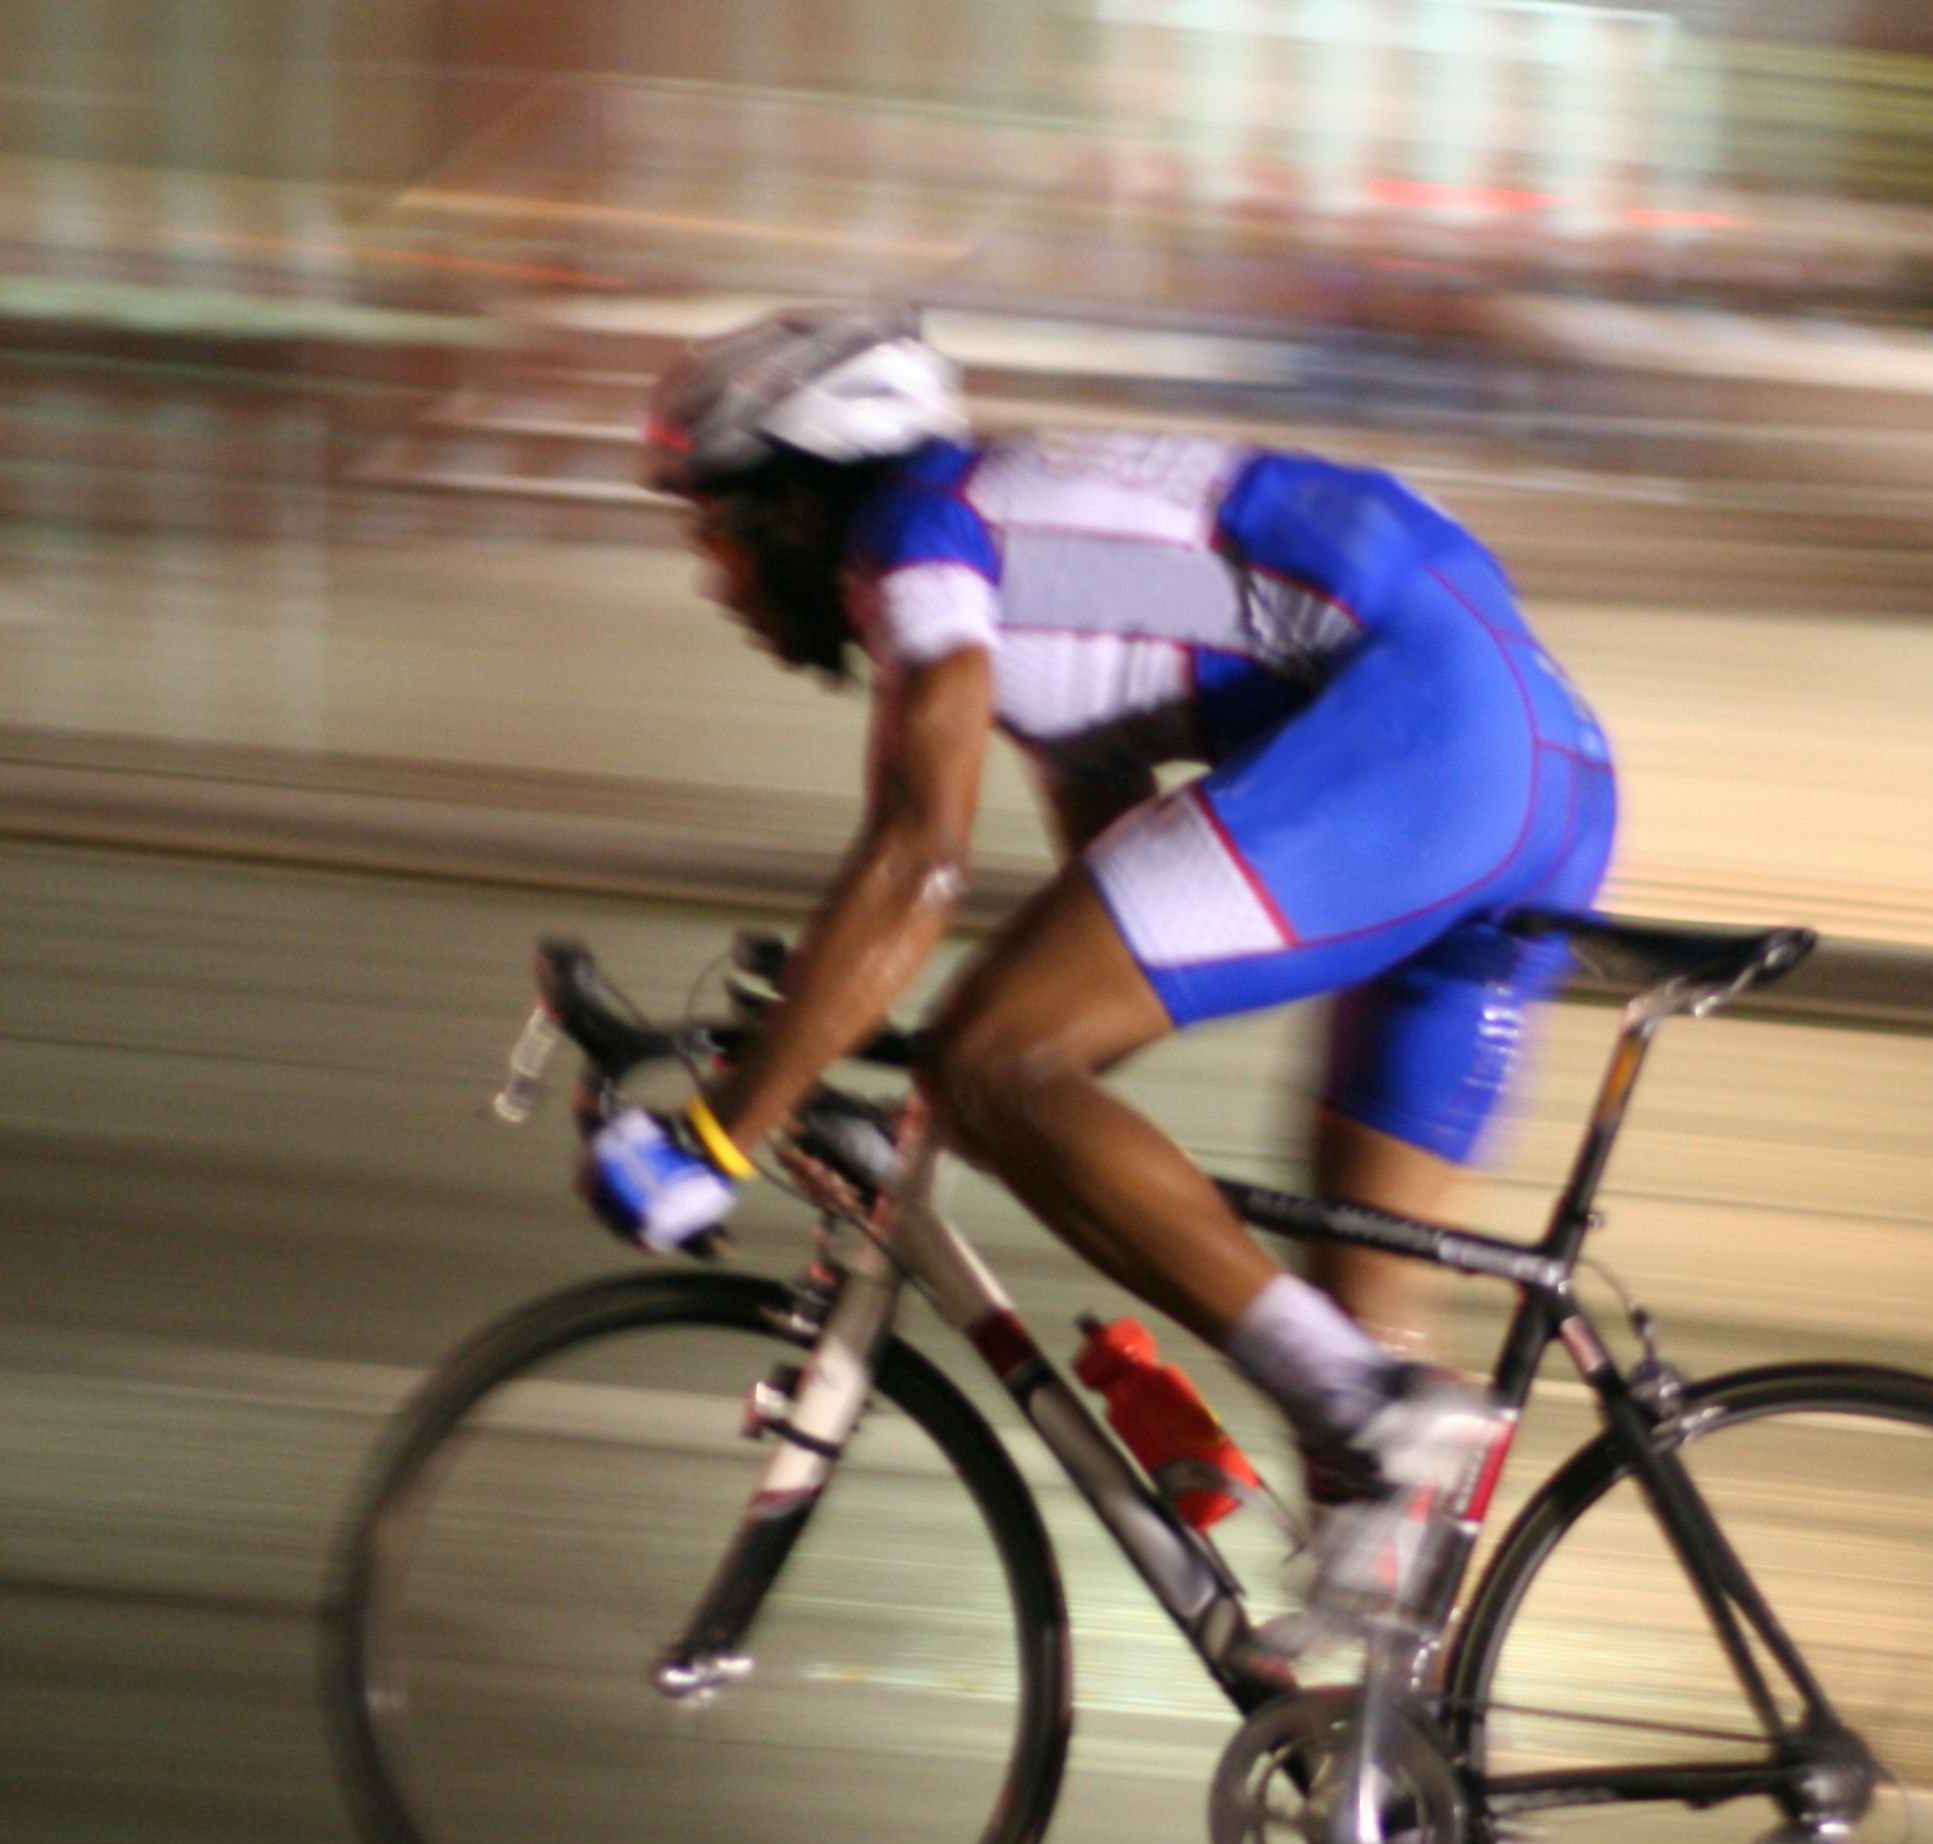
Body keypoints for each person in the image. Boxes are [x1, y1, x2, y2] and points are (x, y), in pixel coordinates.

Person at [581, 305, 1618, 1631]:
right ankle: (1438, 1804)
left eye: (711, 533)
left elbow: (917, 864)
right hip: (1542, 758)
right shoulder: (1037, 562)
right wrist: (880, 1059)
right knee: (1369, 1356)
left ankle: (1363, 1408)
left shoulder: (916, 537)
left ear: (794, 498)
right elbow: (1093, 950)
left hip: (1433, 735)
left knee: (1005, 1071)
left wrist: (722, 1139)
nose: (713, 581)